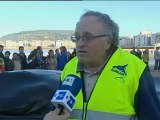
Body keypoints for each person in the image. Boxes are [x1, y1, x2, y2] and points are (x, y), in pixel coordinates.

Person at [44, 11, 160, 120]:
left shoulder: (135, 70)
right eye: (77, 37)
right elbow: (57, 111)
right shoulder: (69, 68)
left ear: (108, 42)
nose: (79, 44)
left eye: (87, 37)